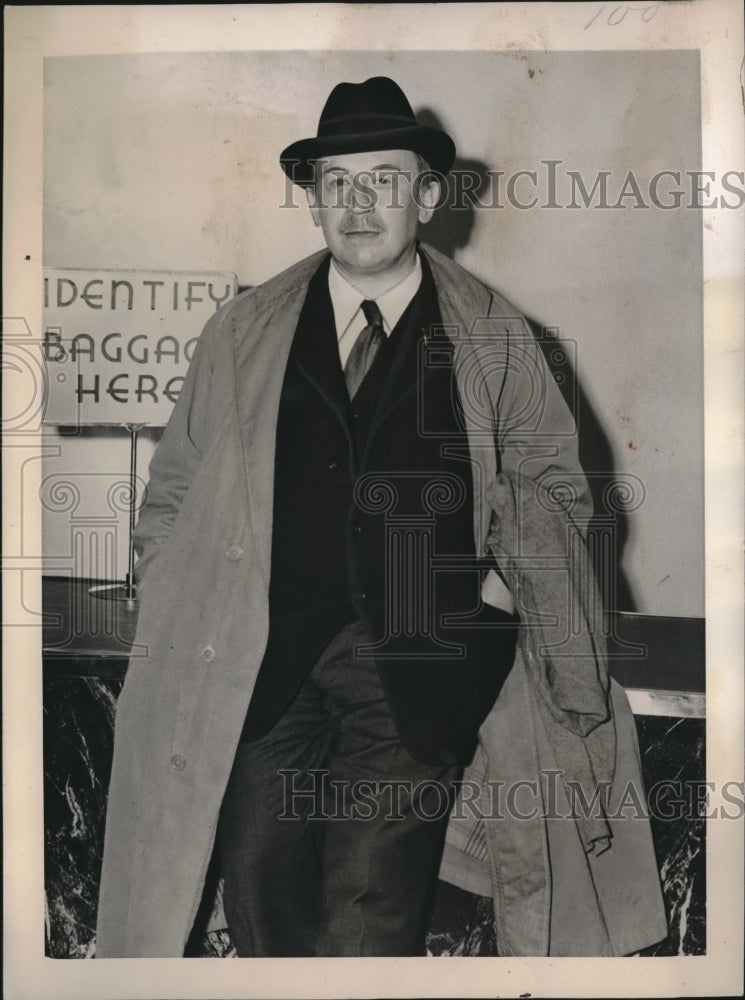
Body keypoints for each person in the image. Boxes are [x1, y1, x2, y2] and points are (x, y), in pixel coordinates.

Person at [96, 76, 666, 958]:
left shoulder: (497, 338)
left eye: (383, 181)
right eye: (337, 183)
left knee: (370, 908)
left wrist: (489, 605)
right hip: (258, 664)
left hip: (421, 668)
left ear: (426, 197)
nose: (359, 205)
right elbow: (171, 490)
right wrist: (172, 588)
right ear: (314, 200)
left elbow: (559, 492)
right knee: (257, 888)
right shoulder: (242, 332)